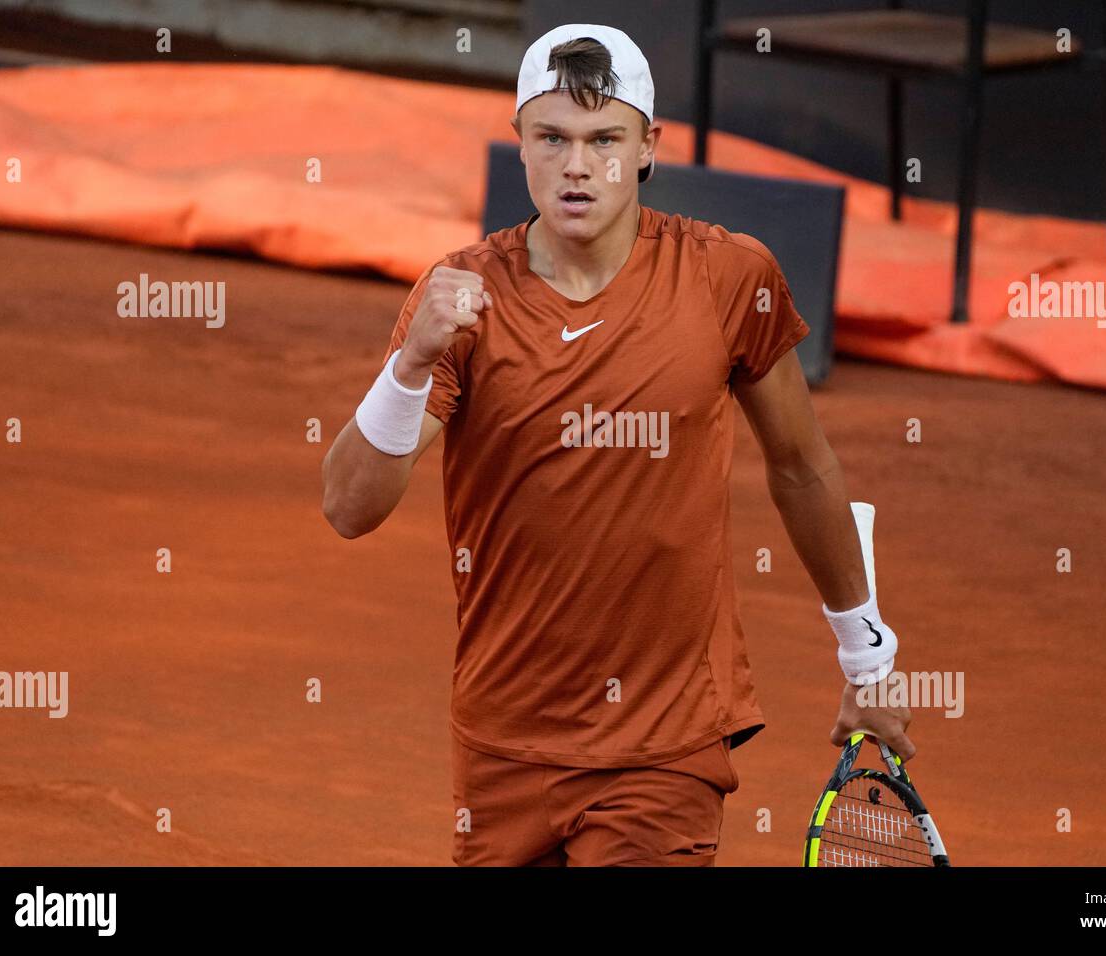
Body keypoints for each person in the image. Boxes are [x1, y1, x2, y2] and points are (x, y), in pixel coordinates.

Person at [321, 23, 913, 866]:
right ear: (519, 144)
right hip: (502, 742)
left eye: (605, 140)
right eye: (552, 137)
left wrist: (868, 656)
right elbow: (348, 506)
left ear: (647, 149)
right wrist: (411, 361)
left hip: (663, 744)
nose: (577, 165)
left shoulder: (726, 277)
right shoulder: (461, 303)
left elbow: (801, 463)